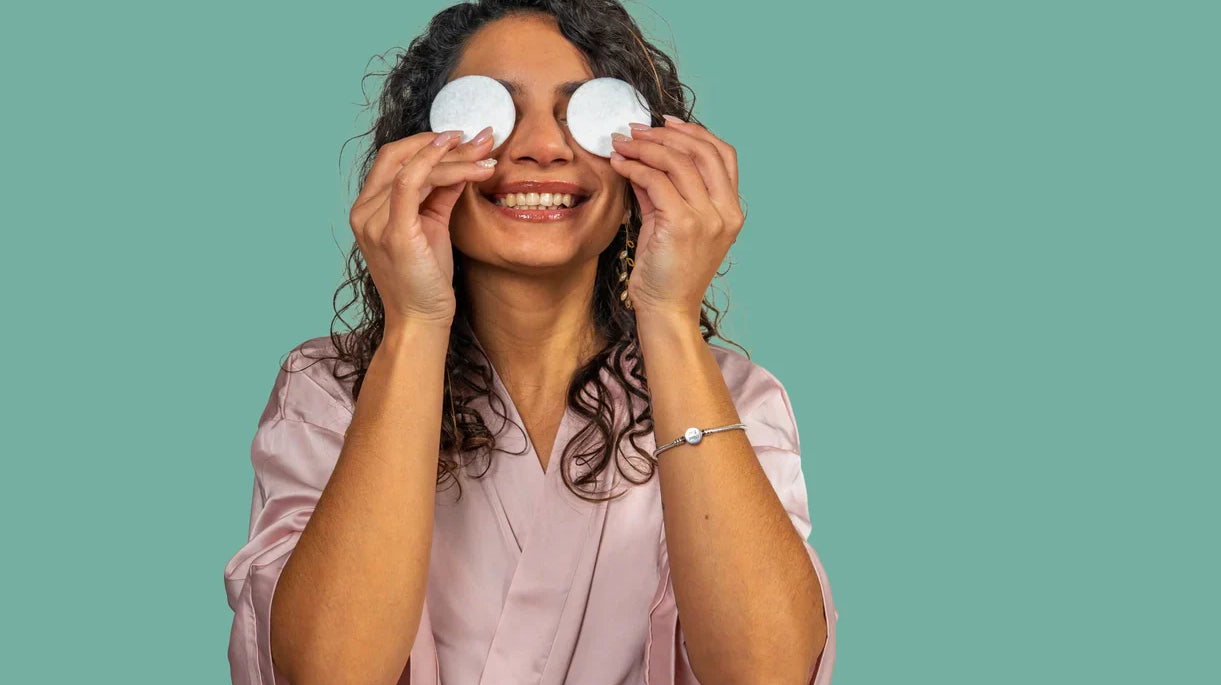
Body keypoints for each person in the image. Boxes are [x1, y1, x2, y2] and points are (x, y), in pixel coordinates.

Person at [222, 1, 838, 683]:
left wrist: (667, 313)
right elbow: (328, 672)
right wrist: (415, 322)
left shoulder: (738, 399)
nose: (541, 148)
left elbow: (768, 672)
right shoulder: (329, 390)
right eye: (492, 112)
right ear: (419, 150)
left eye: (585, 116)